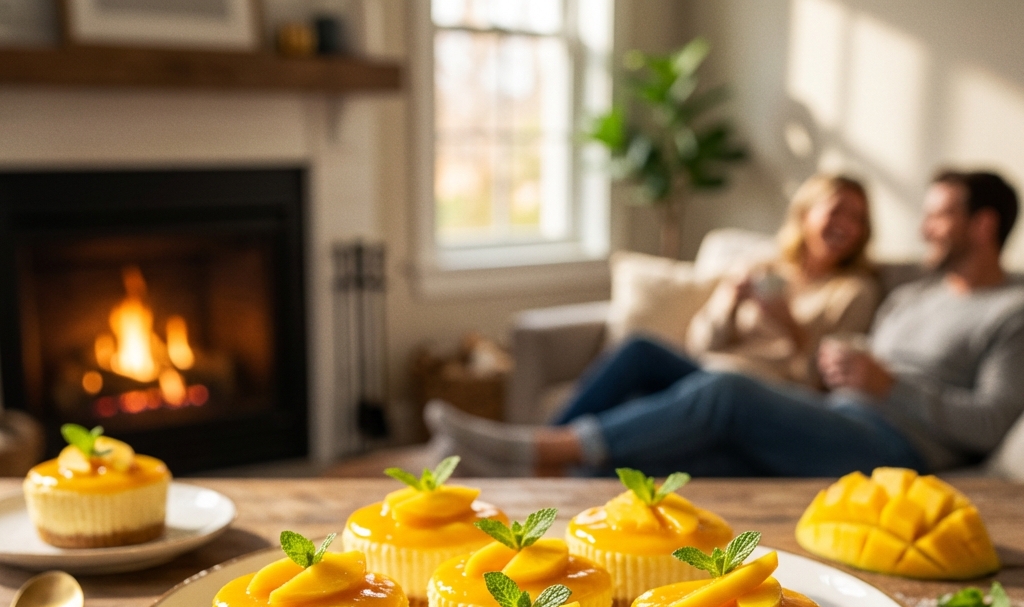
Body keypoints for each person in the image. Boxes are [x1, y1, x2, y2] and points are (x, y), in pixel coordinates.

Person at [427, 170, 1024, 479]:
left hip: (897, 447)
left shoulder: (1009, 314)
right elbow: (848, 365)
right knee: (695, 460)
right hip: (835, 417)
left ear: (984, 225)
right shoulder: (913, 296)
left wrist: (887, 385)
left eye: (941, 216)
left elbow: (991, 423)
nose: (924, 230)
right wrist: (845, 364)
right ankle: (541, 481)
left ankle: (536, 451)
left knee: (724, 390)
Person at [685, 173, 879, 388]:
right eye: (836, 211)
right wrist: (728, 303)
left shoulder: (854, 292)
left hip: (755, 388)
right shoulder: (761, 266)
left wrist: (791, 326)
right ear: (805, 214)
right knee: (642, 350)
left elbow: (826, 381)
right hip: (707, 371)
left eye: (857, 219)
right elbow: (698, 346)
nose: (845, 225)